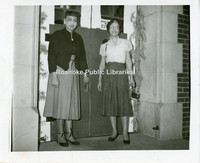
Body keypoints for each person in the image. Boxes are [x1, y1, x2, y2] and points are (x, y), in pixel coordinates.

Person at [43, 10, 89, 147]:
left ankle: (69, 134)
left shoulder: (79, 38)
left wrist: (85, 74)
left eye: (75, 20)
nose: (72, 23)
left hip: (73, 72)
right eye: (69, 20)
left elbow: (82, 58)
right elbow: (51, 56)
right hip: (60, 72)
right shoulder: (57, 35)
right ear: (65, 20)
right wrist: (54, 76)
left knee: (71, 105)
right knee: (61, 105)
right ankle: (60, 134)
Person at [98, 19, 134, 144]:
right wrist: (99, 79)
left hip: (121, 74)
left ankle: (125, 132)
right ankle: (114, 131)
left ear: (120, 29)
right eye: (112, 27)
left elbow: (128, 61)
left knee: (123, 103)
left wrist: (131, 76)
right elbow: (102, 63)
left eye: (117, 27)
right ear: (108, 29)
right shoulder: (104, 45)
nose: (114, 29)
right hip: (108, 76)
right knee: (110, 102)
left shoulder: (125, 43)